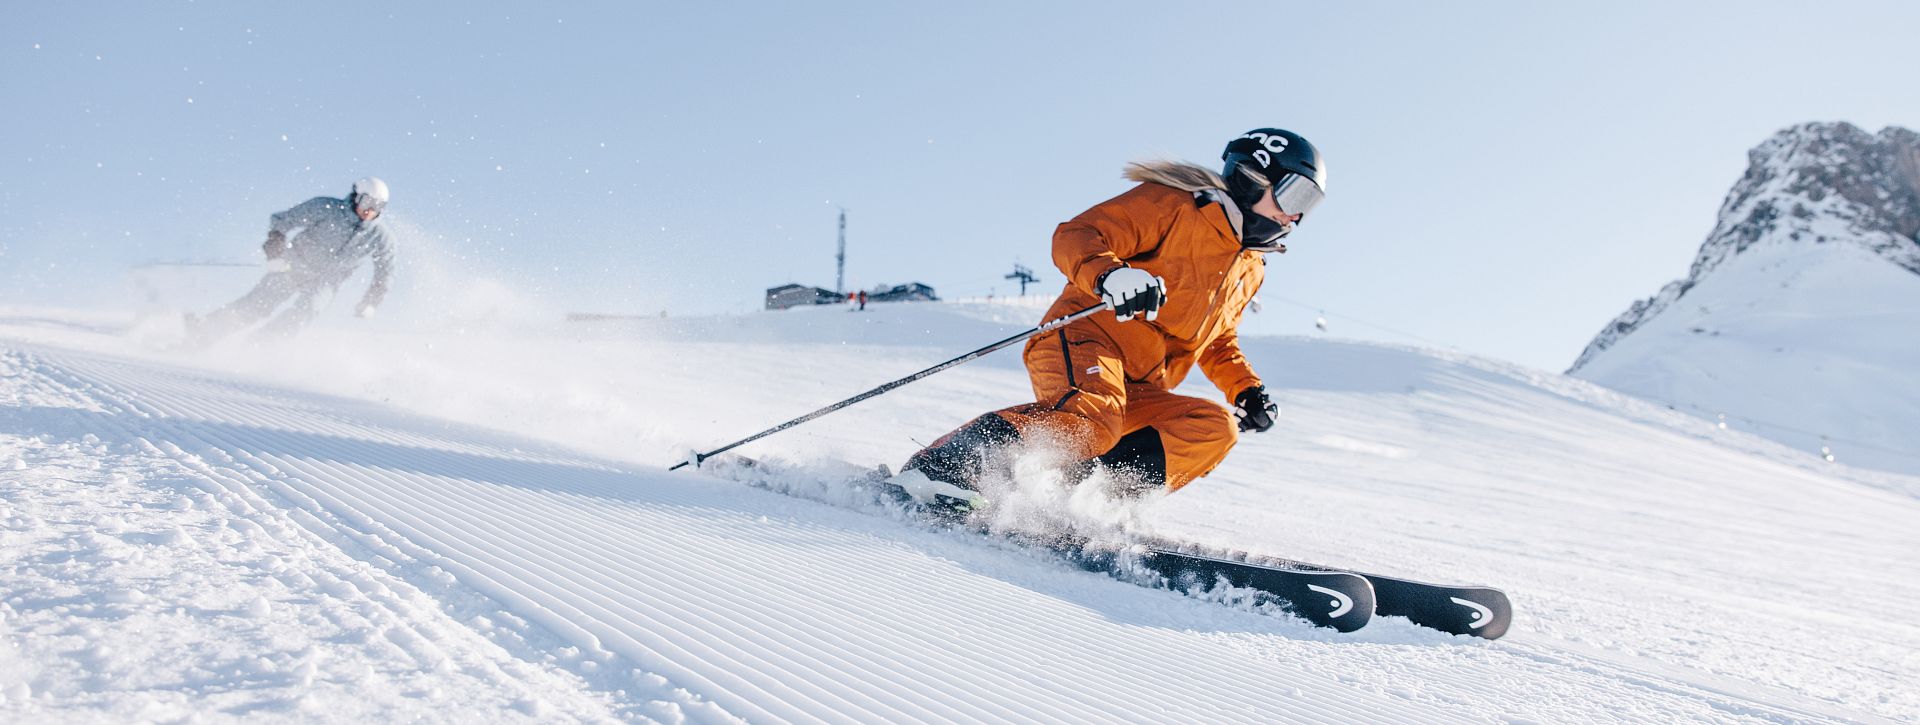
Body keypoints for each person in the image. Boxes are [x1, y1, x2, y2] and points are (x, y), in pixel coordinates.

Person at [887, 129, 1326, 508]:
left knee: (1212, 429)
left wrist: (1245, 389)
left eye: (1311, 204)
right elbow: (1076, 236)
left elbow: (1215, 339)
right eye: (1296, 194)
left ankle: (1078, 501)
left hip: (1142, 384)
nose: (1298, 215)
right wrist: (1111, 277)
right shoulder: (1175, 207)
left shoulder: (1250, 267)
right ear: (1253, 178)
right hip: (1084, 338)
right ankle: (941, 467)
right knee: (1091, 420)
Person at [186, 177, 396, 344]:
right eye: (367, 202)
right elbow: (282, 222)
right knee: (261, 303)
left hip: (327, 281)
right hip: (295, 265)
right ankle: (206, 330)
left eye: (377, 207)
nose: (370, 210)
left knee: (308, 310)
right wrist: (275, 255)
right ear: (356, 196)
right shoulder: (327, 208)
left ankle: (260, 345)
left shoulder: (380, 237)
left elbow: (384, 273)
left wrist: (371, 302)